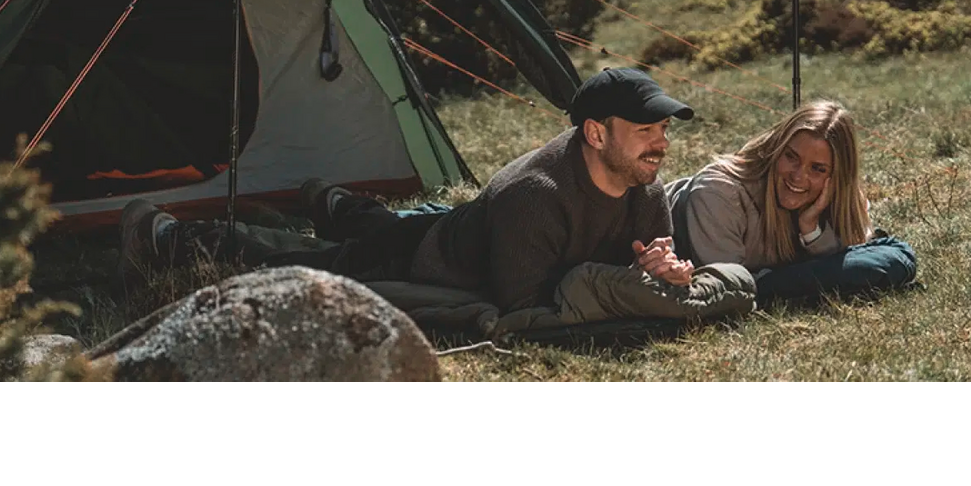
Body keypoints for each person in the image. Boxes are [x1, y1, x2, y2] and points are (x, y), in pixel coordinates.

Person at [117, 68, 756, 330]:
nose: (661, 145)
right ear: (595, 133)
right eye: (646, 130)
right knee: (311, 263)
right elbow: (523, 304)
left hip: (459, 230)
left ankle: (339, 204)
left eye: (664, 130)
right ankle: (174, 238)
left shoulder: (644, 187)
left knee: (372, 229)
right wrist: (632, 280)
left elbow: (645, 261)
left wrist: (665, 272)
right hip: (428, 261)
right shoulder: (532, 195)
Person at [664, 100, 917, 306]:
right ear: (776, 148)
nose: (798, 177)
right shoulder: (718, 193)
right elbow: (730, 287)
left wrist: (811, 229)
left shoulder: (832, 195)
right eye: (791, 157)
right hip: (723, 277)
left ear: (836, 177)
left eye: (817, 169)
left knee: (896, 255)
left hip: (765, 279)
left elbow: (854, 254)